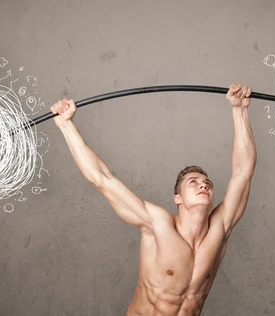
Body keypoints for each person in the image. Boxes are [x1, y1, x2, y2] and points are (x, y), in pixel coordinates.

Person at [50, 83, 256, 315]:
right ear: (177, 198)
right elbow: (103, 179)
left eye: (207, 183)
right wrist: (65, 124)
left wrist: (240, 110)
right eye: (193, 182)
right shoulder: (157, 225)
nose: (203, 185)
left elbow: (243, 172)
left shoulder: (220, 228)